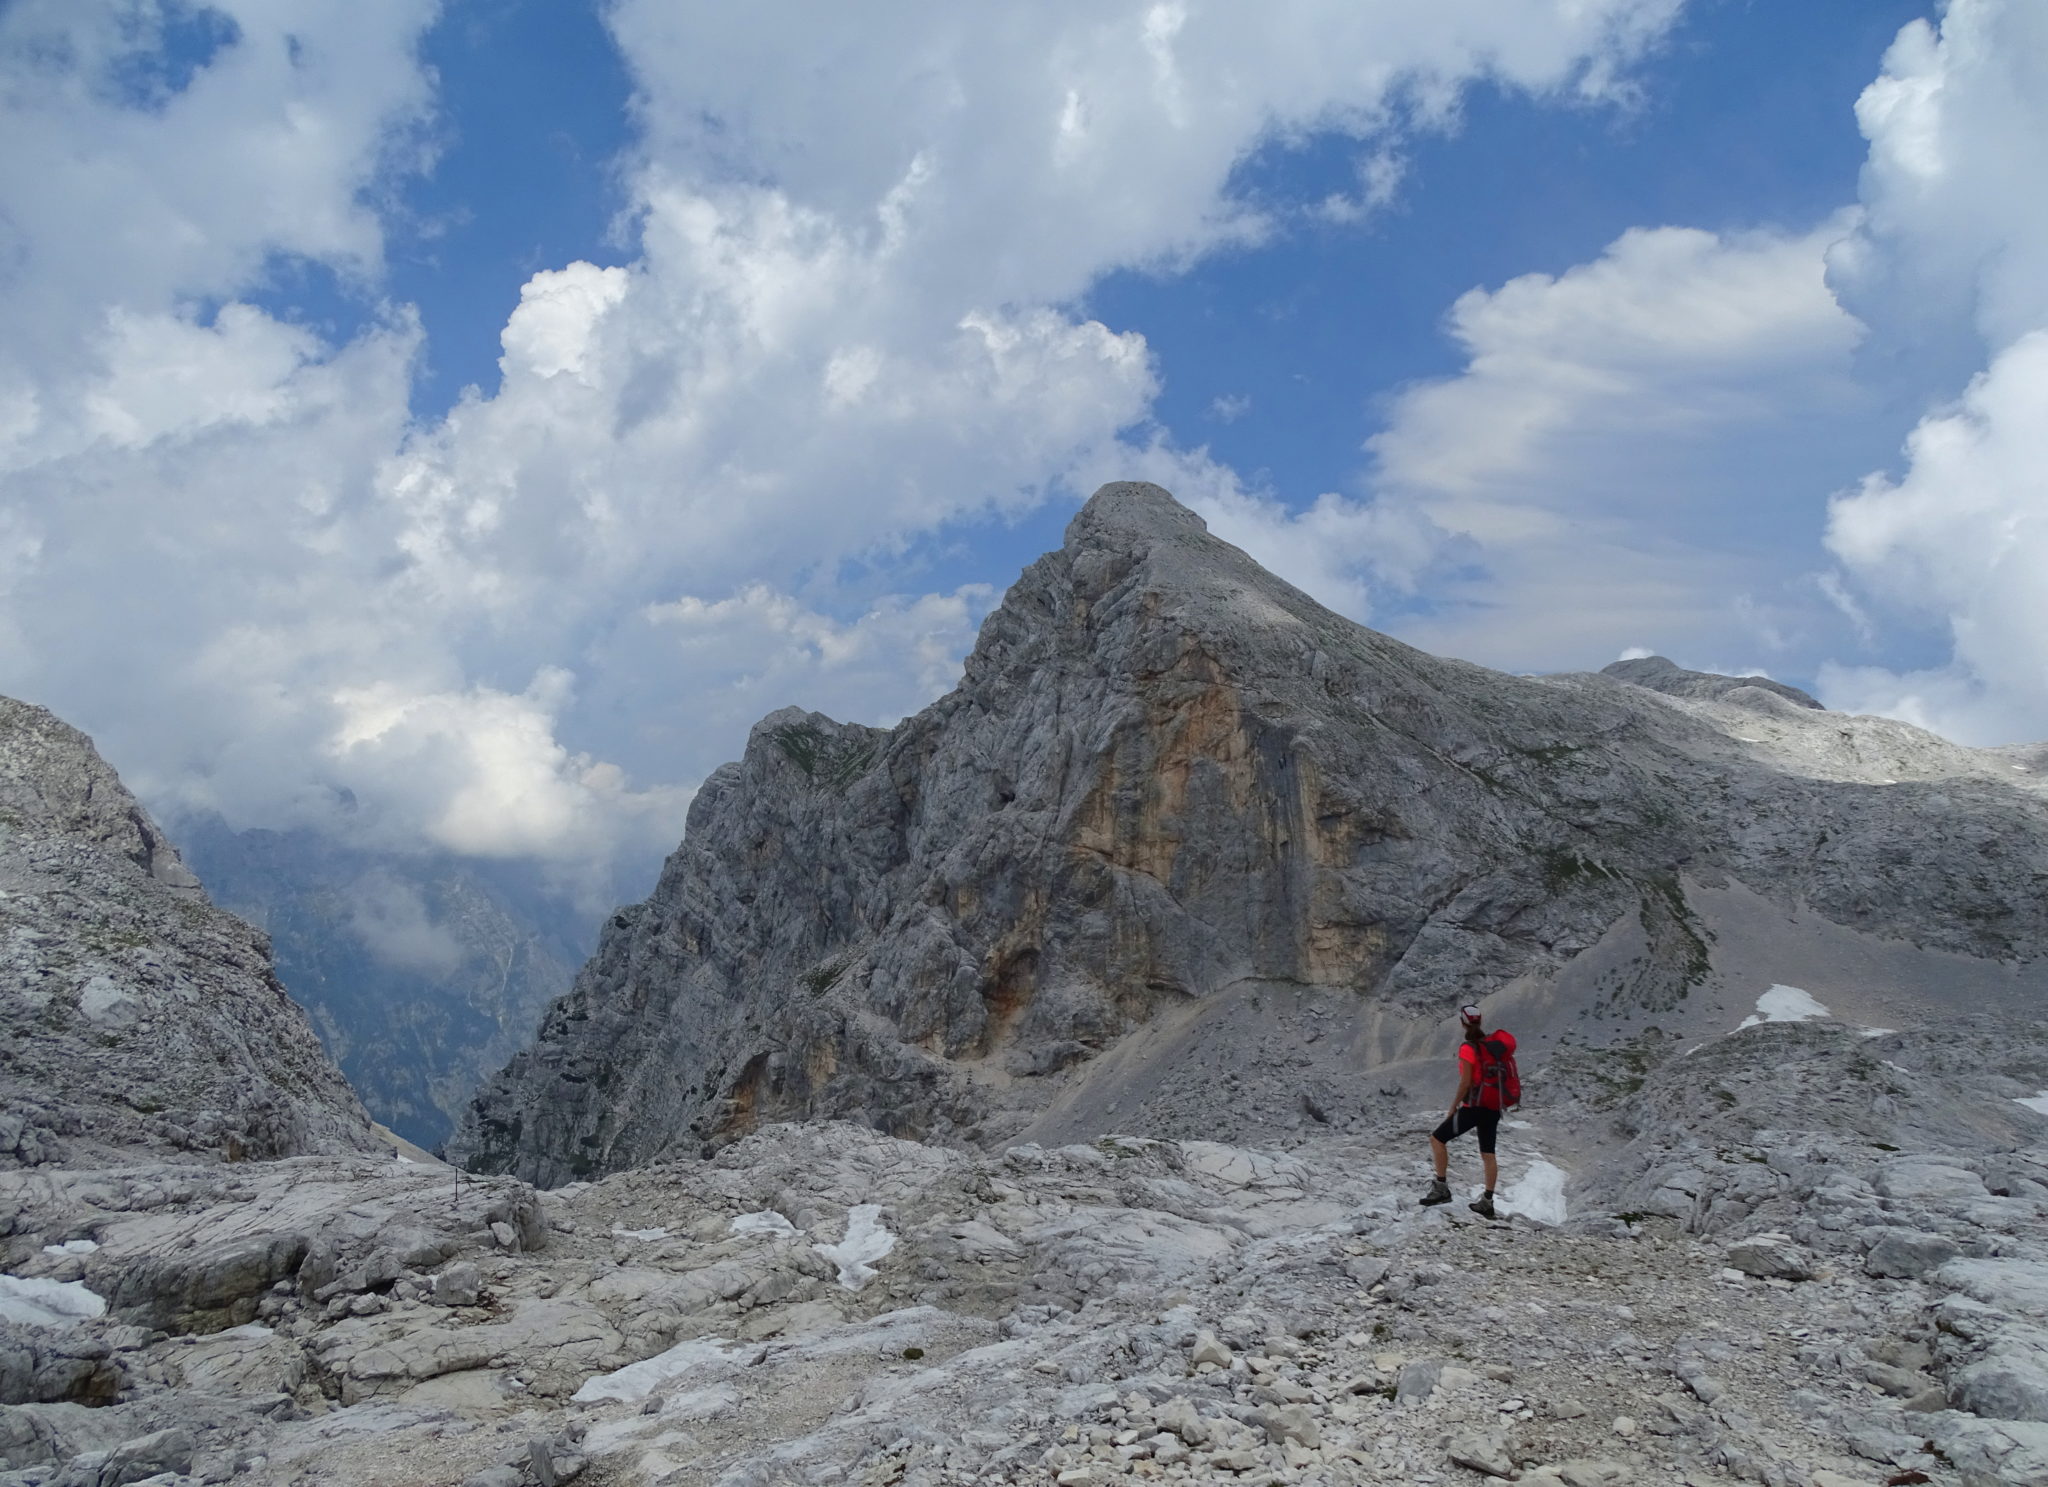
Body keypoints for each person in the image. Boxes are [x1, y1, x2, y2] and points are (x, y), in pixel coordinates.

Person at [1419, 1003, 1516, 1218]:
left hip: (1473, 1107)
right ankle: (1487, 1202)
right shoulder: (1491, 1046)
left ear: (1462, 1023)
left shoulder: (1468, 1048)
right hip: (1492, 1107)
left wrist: (1453, 1107)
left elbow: (1466, 1082)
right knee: (1488, 1153)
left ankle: (1441, 1189)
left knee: (1437, 1139)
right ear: (1479, 1021)